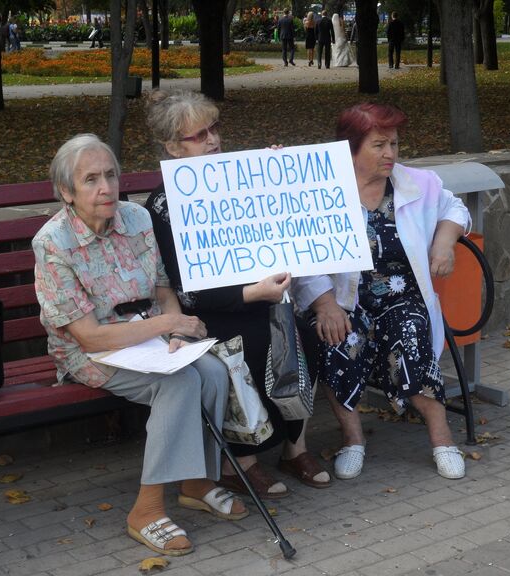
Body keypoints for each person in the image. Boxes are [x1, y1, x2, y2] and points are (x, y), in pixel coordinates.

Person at [33, 134, 246, 557]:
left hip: (147, 334)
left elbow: (163, 287)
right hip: (89, 350)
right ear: (66, 192)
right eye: (90, 179)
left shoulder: (137, 219)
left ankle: (195, 481)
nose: (105, 188)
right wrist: (166, 323)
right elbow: (88, 336)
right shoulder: (53, 243)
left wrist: (177, 332)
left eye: (110, 175)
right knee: (178, 384)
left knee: (213, 371)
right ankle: (146, 509)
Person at [143, 90, 332, 498]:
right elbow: (188, 295)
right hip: (215, 310)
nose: (212, 140)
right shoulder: (165, 203)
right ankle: (239, 462)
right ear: (173, 147)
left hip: (263, 298)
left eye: (214, 129)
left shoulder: (237, 179)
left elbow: (286, 225)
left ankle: (293, 447)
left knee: (303, 335)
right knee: (249, 345)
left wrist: (279, 173)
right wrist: (253, 293)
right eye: (199, 136)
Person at [293, 103, 470, 481]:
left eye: (394, 143)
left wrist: (445, 241)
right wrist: (324, 304)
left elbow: (456, 208)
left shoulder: (417, 184)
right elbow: (301, 254)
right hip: (344, 299)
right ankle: (353, 440)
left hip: (403, 295)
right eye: (379, 145)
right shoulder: (321, 191)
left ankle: (442, 439)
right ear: (350, 147)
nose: (390, 153)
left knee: (410, 334)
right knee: (335, 339)